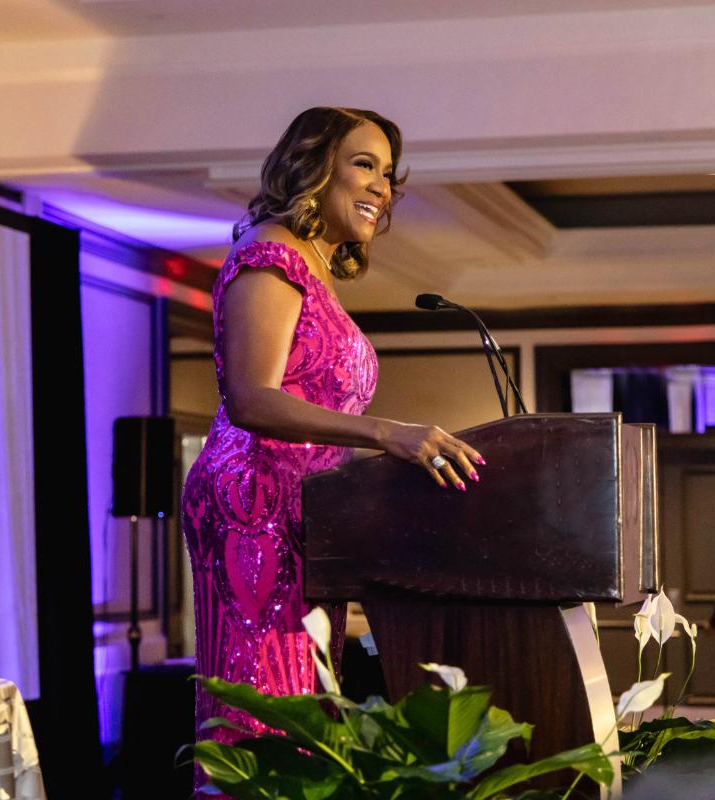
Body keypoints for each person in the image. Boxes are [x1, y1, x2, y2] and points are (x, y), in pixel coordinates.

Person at [181, 108, 485, 757]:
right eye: (364, 164)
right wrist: (387, 433)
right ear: (315, 167)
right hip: (255, 505)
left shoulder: (310, 266)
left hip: (305, 513)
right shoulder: (271, 254)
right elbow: (251, 398)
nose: (382, 187)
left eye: (388, 174)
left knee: (305, 706)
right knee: (266, 709)